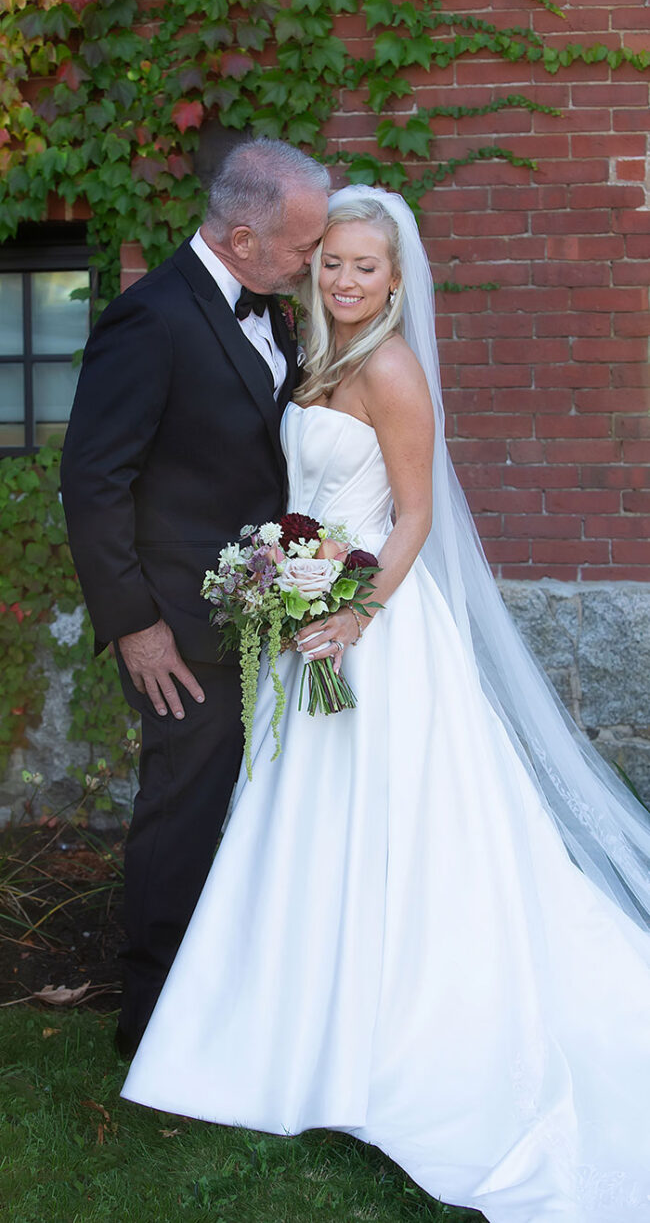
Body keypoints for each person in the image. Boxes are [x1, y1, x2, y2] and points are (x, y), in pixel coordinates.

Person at [121, 187, 650, 1221]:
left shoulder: (393, 370)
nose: (345, 280)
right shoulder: (319, 360)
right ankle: (300, 1025)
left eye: (365, 267)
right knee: (305, 826)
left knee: (393, 828)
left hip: (375, 635)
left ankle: (395, 1028)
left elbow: (410, 515)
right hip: (305, 621)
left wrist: (355, 611)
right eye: (332, 264)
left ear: (397, 280)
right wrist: (283, 572)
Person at [60, 139, 330, 1059]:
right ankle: (154, 1021)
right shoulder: (152, 319)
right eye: (302, 248)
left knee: (251, 812)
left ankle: (229, 998)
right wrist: (136, 626)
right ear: (245, 235)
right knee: (181, 812)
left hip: (264, 616)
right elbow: (94, 482)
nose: (313, 264)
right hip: (180, 630)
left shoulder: (277, 316)